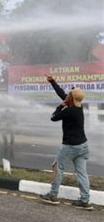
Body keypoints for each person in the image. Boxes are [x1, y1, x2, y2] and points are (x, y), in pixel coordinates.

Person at [40, 74, 93, 210]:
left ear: (71, 98)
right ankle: (85, 200)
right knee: (82, 173)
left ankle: (53, 195)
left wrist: (59, 106)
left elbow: (53, 117)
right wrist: (52, 81)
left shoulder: (69, 111)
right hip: (83, 146)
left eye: (69, 94)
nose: (67, 95)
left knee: (58, 168)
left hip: (70, 146)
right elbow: (61, 93)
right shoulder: (79, 106)